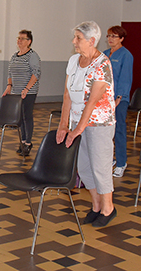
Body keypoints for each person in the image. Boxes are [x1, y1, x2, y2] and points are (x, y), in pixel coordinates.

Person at [56, 21, 117, 227]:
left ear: (92, 41)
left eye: (78, 38)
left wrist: (77, 130)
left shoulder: (103, 64)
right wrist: (63, 125)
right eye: (75, 37)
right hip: (76, 121)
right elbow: (67, 95)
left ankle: (108, 208)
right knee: (83, 167)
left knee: (100, 166)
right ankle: (96, 205)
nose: (74, 41)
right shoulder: (74, 60)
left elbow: (92, 102)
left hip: (99, 123)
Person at [3, 30, 41, 156]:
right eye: (18, 38)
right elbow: (10, 73)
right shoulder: (15, 56)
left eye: (22, 38)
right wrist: (9, 86)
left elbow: (36, 73)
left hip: (28, 92)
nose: (19, 40)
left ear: (29, 41)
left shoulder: (32, 56)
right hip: (16, 92)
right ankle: (22, 141)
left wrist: (27, 89)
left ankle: (28, 143)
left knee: (27, 116)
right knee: (20, 118)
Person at [103, 26, 133, 178]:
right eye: (109, 36)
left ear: (121, 38)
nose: (110, 39)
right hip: (104, 98)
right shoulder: (105, 54)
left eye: (114, 36)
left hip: (118, 99)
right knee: (105, 131)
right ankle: (109, 160)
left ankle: (121, 162)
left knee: (119, 130)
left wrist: (119, 97)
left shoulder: (126, 55)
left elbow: (125, 78)